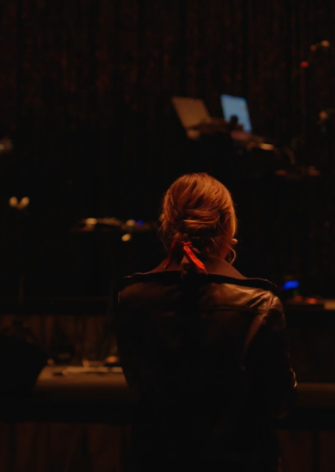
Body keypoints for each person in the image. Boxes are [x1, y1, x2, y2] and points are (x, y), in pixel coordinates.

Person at [114, 173, 297, 471]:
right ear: (228, 227)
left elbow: (137, 386)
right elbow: (280, 403)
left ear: (168, 224)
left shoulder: (131, 299)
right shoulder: (260, 304)